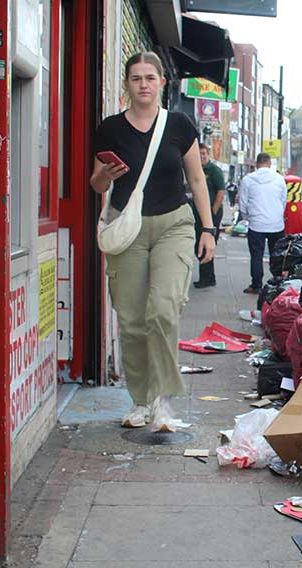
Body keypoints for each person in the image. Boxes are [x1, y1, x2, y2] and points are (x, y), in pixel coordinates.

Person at [90, 51, 216, 430]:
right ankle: (141, 401)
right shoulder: (111, 128)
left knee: (161, 310)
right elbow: (95, 183)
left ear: (162, 82)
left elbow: (197, 180)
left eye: (150, 77)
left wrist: (207, 229)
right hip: (128, 229)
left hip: (174, 226)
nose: (143, 84)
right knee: (131, 320)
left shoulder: (179, 125)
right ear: (126, 84)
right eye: (136, 78)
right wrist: (107, 175)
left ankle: (162, 401)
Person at [238, 152, 286, 294]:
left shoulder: (247, 180)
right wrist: (277, 215)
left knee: (256, 255)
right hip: (276, 224)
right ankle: (277, 282)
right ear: (270, 164)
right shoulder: (279, 179)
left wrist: (248, 217)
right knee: (276, 255)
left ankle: (256, 284)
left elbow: (242, 203)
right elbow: (283, 201)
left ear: (256, 164)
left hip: (256, 224)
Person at [193, 143, 226, 288]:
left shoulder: (214, 170)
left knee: (205, 245)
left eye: (204, 153)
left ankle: (206, 279)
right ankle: (208, 277)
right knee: (199, 246)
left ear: (208, 154)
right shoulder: (194, 169)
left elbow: (220, 192)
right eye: (199, 154)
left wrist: (212, 212)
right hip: (198, 214)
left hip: (211, 214)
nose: (201, 156)